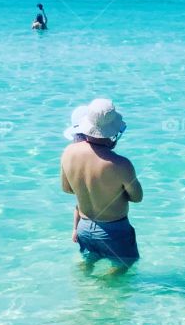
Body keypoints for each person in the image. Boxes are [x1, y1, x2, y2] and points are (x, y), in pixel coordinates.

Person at [60, 98, 143, 270]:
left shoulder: (68, 152)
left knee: (87, 266)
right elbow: (137, 197)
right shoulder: (120, 164)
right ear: (113, 131)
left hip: (83, 227)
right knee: (124, 267)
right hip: (115, 231)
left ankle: (86, 294)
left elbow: (67, 189)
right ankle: (105, 291)